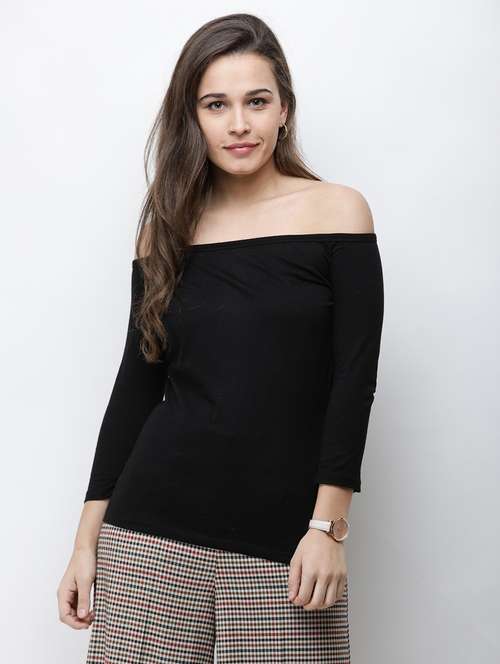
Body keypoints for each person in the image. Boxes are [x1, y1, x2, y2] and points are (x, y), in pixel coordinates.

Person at [57, 13, 384, 663]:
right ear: (193, 117)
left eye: (256, 101)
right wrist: (85, 542)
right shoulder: (166, 230)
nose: (239, 123)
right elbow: (136, 386)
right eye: (216, 105)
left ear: (284, 109)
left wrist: (328, 527)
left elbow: (355, 377)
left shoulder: (337, 212)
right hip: (150, 537)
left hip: (285, 545)